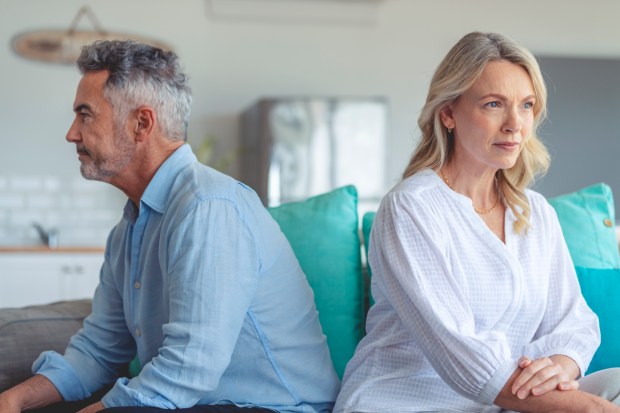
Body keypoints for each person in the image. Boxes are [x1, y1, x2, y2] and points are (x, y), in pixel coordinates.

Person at [0, 40, 340, 413]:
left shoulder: (208, 207)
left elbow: (187, 367)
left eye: (85, 115)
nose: (72, 133)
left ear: (141, 123)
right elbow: (98, 351)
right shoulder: (128, 230)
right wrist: (13, 400)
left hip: (270, 407)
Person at [334, 31, 620, 413]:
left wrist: (558, 367)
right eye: (493, 104)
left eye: (527, 105)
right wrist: (587, 408)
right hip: (405, 400)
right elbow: (460, 354)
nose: (515, 125)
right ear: (448, 113)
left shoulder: (536, 213)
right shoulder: (411, 208)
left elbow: (576, 321)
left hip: (507, 401)